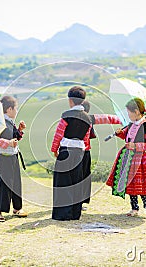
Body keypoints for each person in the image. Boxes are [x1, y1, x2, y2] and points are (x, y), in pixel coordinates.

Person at [106, 97, 146, 220]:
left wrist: (135, 146)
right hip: (127, 157)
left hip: (140, 160)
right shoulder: (130, 125)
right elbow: (128, 138)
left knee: (143, 186)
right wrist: (121, 133)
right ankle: (134, 208)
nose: (128, 115)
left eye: (129, 112)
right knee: (131, 183)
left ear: (136, 112)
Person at [51, 86, 92, 221]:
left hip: (66, 151)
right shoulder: (87, 118)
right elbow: (86, 137)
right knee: (76, 182)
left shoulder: (66, 115)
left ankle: (63, 214)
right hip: (79, 152)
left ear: (70, 100)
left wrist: (54, 149)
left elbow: (59, 134)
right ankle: (75, 214)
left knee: (63, 182)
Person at [81, 100, 121, 211]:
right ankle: (80, 202)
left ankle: (73, 202)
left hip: (71, 151)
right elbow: (107, 118)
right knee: (84, 176)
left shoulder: (68, 118)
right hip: (85, 152)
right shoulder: (90, 118)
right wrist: (123, 120)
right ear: (88, 110)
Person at [0, 95, 27, 222]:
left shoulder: (10, 122)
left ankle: (17, 208)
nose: (16, 111)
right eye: (15, 108)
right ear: (9, 109)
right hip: (4, 157)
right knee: (3, 185)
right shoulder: (0, 123)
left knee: (16, 183)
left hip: (13, 156)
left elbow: (15, 139)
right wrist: (8, 143)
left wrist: (20, 130)